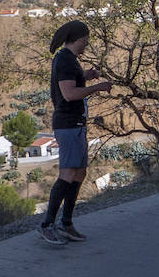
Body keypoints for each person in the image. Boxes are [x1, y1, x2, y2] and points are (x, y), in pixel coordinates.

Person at [40, 20, 111, 246]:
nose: (86, 46)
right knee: (68, 174)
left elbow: (72, 82)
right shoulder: (65, 61)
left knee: (79, 173)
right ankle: (47, 225)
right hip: (68, 124)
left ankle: (66, 223)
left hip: (76, 124)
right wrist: (96, 87)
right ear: (79, 39)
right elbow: (69, 94)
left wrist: (86, 76)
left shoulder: (69, 60)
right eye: (85, 41)